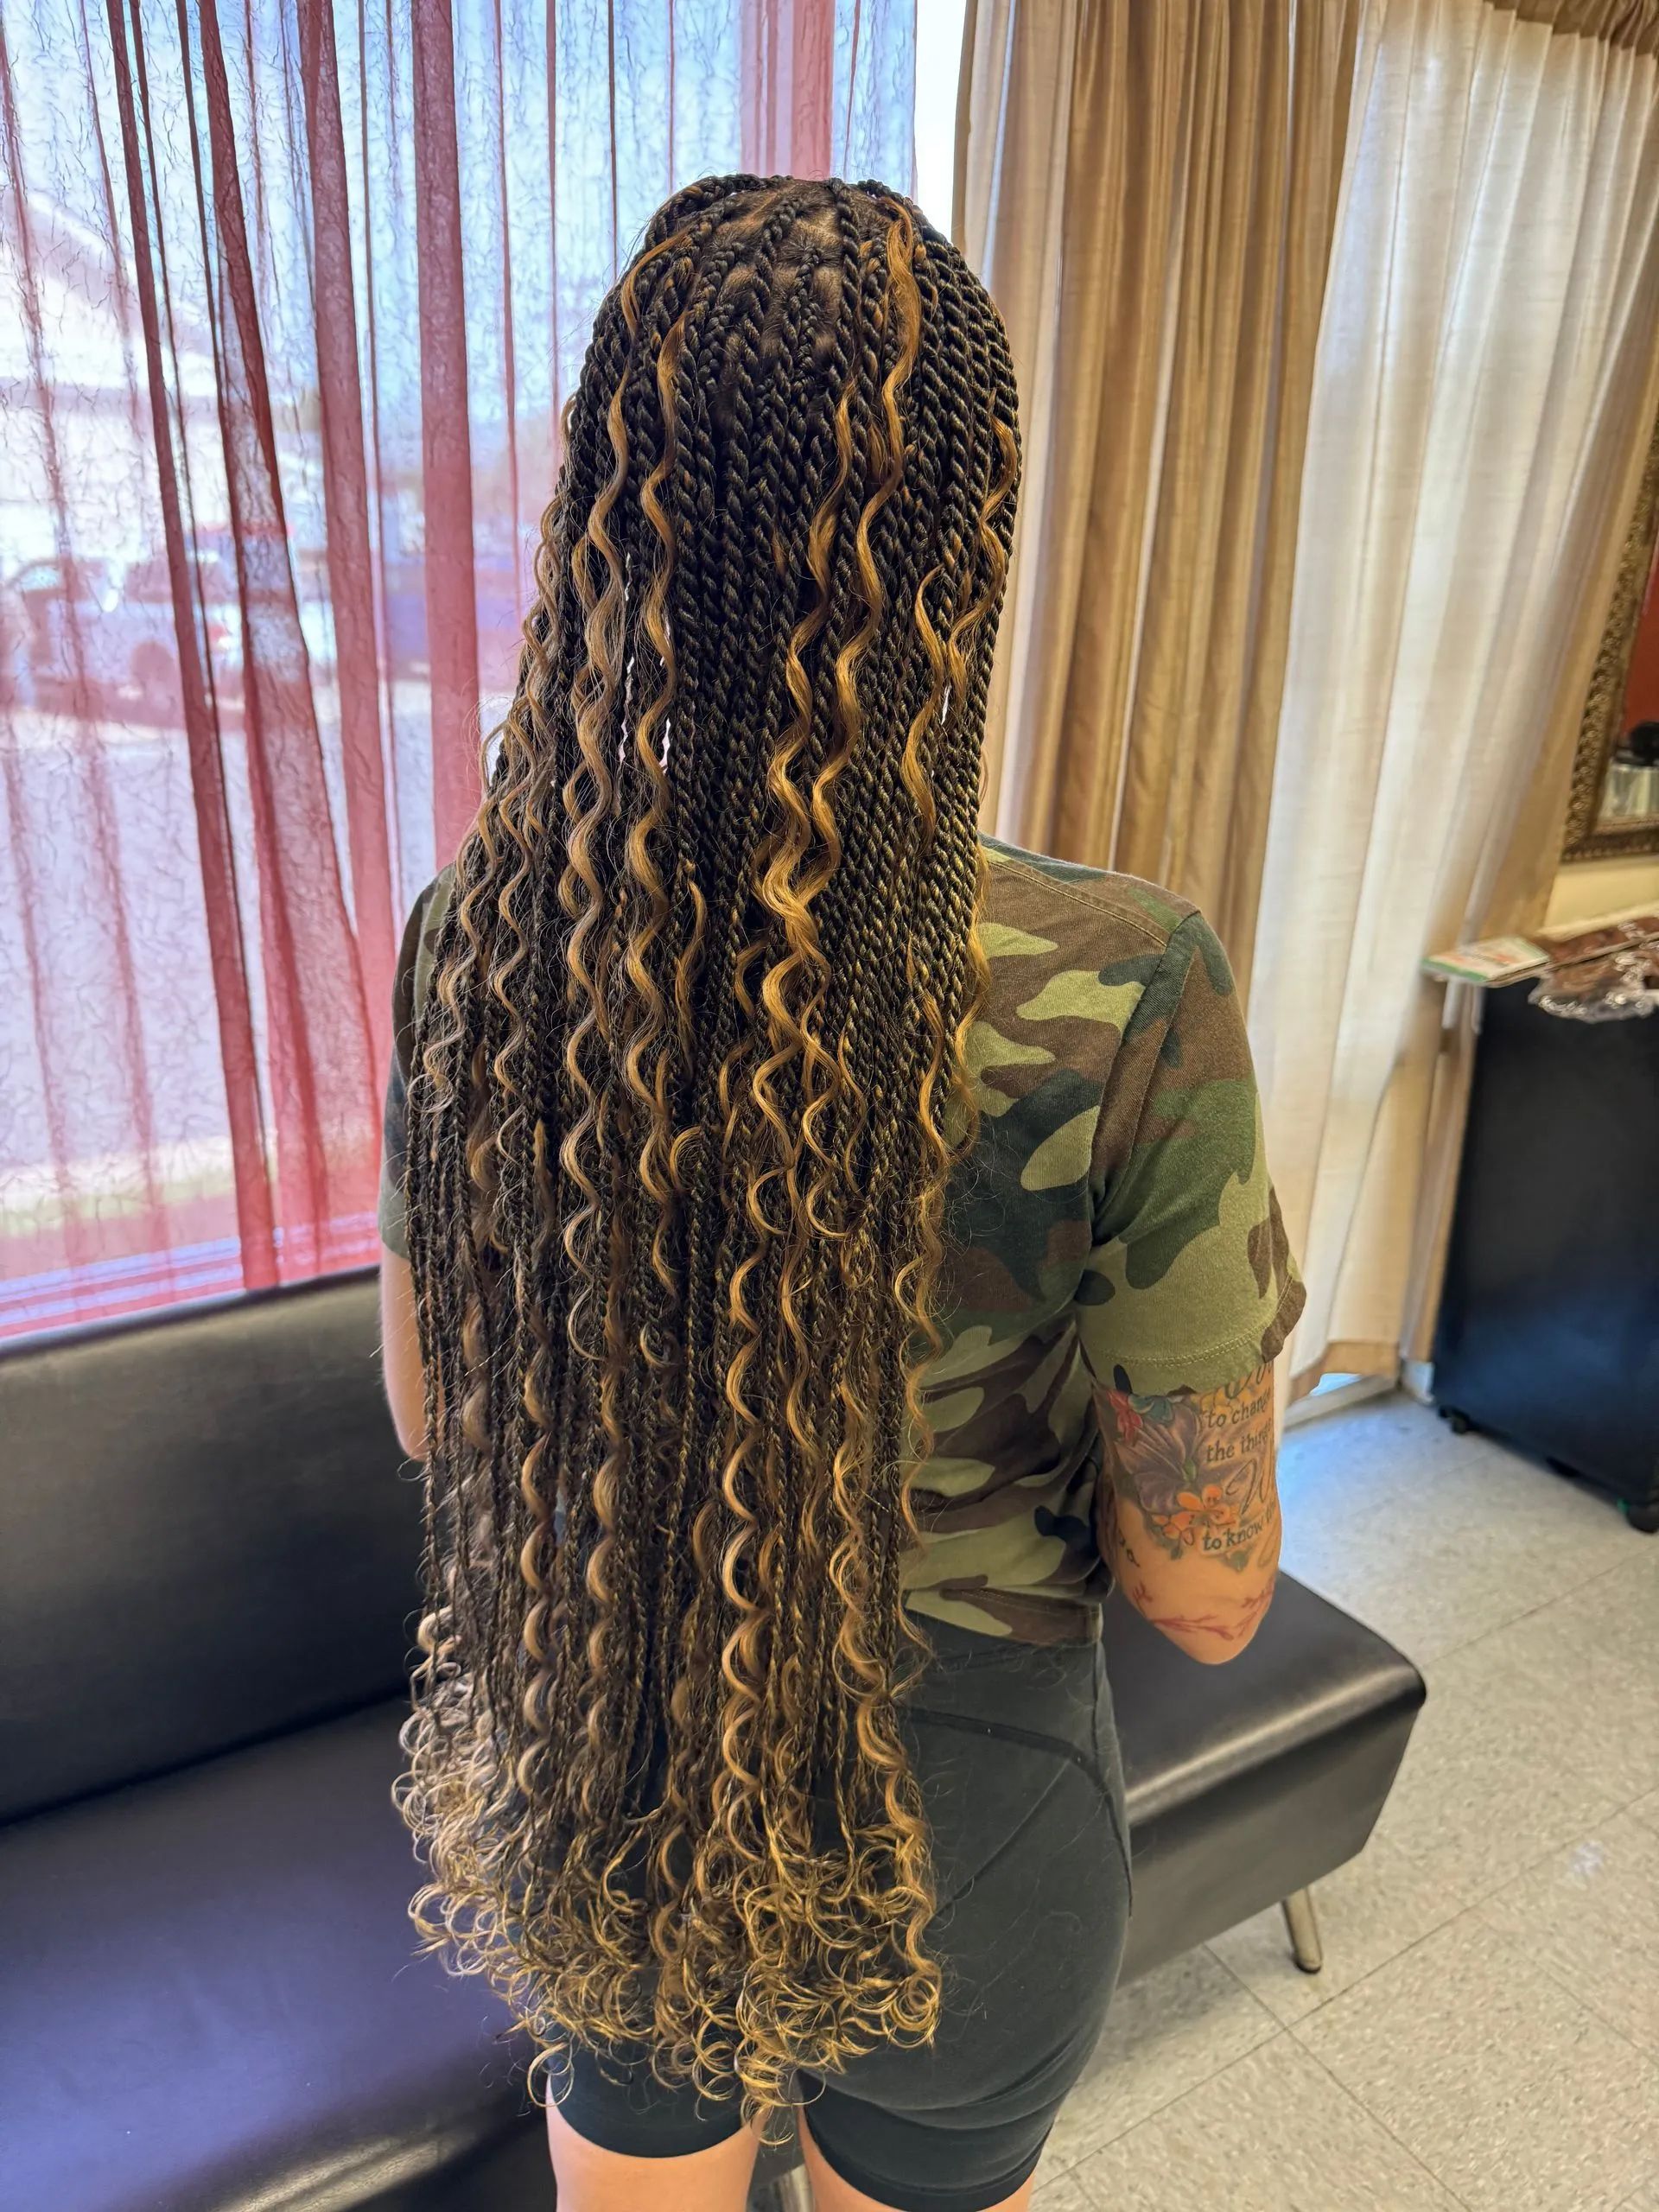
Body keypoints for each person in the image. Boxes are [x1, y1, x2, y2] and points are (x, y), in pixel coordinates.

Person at [377, 175, 1304, 2212]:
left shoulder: (484, 937)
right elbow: (1211, 1592)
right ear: (965, 541)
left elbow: (441, 1412)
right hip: (966, 1817)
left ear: (616, 519)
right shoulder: (1124, 982)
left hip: (614, 1761)